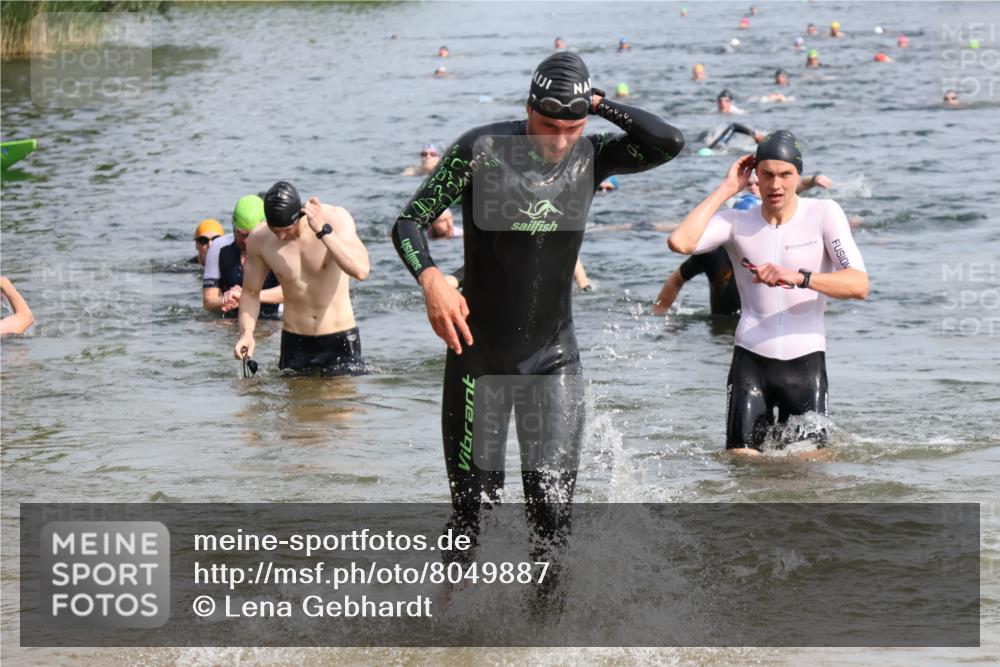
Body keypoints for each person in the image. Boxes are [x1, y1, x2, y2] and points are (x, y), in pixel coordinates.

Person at [391, 51, 684, 589]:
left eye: (572, 126)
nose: (559, 139)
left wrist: (597, 105)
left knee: (550, 516)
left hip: (553, 361)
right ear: (528, 109)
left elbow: (669, 142)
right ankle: (447, 631)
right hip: (477, 359)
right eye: (549, 124)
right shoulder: (481, 150)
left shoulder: (592, 157)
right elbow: (409, 223)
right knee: (471, 515)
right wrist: (430, 278)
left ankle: (544, 638)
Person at [668, 131, 868, 455]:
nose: (776, 185)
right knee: (742, 465)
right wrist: (726, 188)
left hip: (805, 366)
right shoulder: (736, 222)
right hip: (750, 362)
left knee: (806, 474)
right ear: (755, 176)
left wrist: (798, 278)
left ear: (798, 175)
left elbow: (859, 284)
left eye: (785, 175)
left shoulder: (823, 214)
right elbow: (680, 242)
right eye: (768, 175)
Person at [653, 169, 834, 317]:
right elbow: (677, 278)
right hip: (722, 328)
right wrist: (659, 315)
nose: (749, 236)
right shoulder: (712, 253)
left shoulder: (779, 248)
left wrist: (815, 308)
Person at [234, 181, 370, 375]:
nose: (280, 237)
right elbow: (250, 292)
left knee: (343, 405)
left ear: (299, 216)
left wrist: (323, 231)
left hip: (339, 340)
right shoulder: (260, 239)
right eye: (275, 230)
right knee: (297, 406)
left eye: (286, 229)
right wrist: (246, 332)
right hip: (294, 343)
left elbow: (361, 270)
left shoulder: (336, 219)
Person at [203, 195, 283, 319]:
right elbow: (209, 302)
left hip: (271, 320)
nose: (246, 241)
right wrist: (226, 299)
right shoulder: (218, 248)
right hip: (231, 319)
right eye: (240, 234)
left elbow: (291, 292)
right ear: (233, 227)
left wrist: (246, 296)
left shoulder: (278, 248)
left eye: (251, 235)